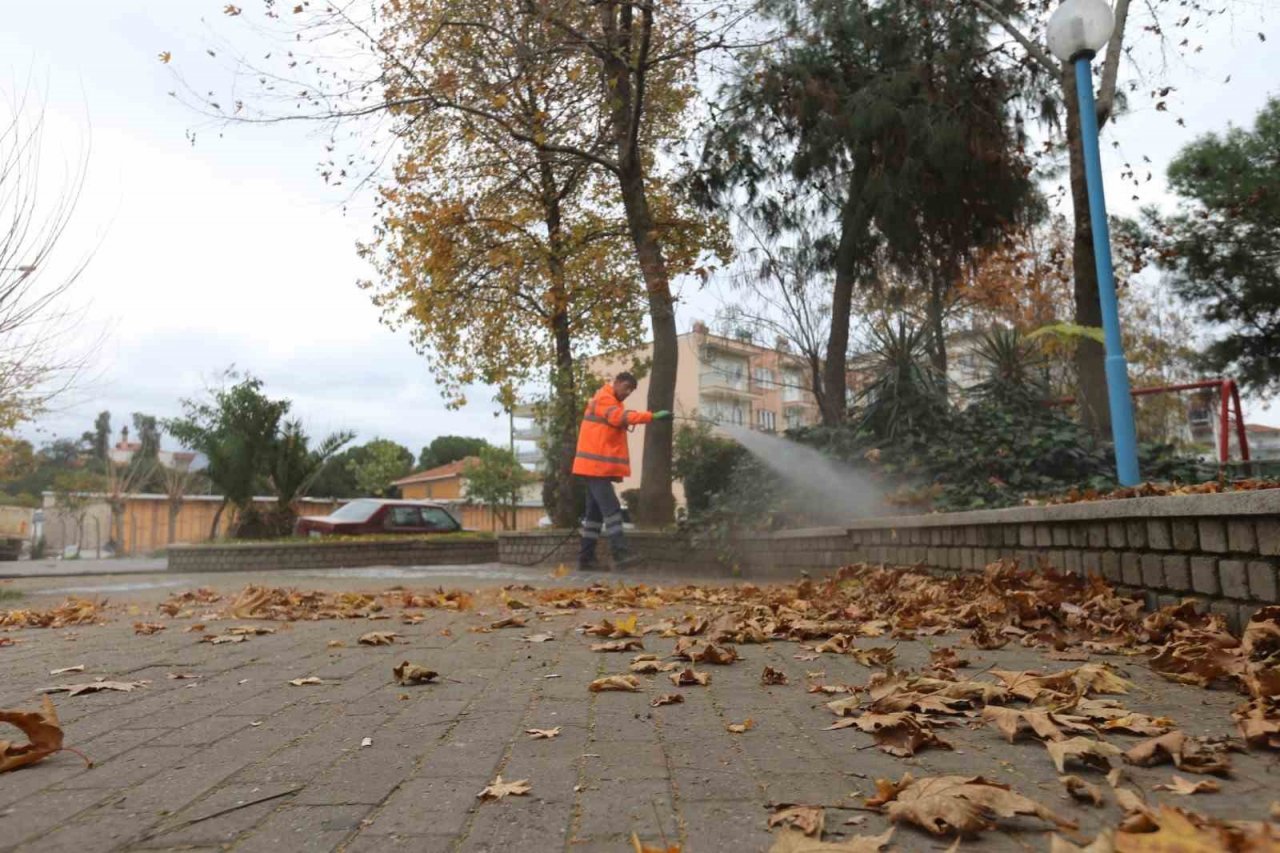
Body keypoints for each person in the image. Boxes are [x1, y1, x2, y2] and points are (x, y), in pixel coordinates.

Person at [572, 371, 672, 570]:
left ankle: (586, 559)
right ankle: (620, 553)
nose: (627, 393)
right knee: (612, 509)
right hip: (595, 468)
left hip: (594, 468)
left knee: (594, 517)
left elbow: (618, 418)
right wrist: (651, 416)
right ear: (616, 383)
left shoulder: (611, 402)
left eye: (631, 391)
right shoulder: (605, 399)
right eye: (626, 388)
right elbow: (619, 418)